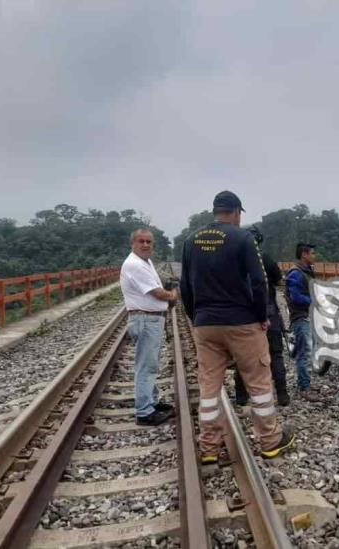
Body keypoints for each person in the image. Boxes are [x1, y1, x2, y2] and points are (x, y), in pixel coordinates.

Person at [180, 190, 295, 462]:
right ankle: (269, 441)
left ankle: (209, 447)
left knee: (209, 387)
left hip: (205, 324)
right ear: (236, 212)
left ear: (215, 210)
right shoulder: (242, 238)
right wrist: (261, 315)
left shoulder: (190, 240)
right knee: (258, 382)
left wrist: (196, 316)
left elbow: (186, 285)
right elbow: (259, 282)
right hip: (242, 322)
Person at [120, 228, 178, 426]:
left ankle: (151, 402)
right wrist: (173, 295)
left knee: (149, 364)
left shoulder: (146, 262)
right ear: (133, 244)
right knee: (146, 366)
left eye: (148, 242)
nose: (145, 245)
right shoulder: (135, 264)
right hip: (146, 320)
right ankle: (144, 413)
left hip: (150, 319)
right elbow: (157, 293)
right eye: (141, 241)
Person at [234, 226, 290, 407]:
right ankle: (282, 395)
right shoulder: (265, 258)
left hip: (244, 315)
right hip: (268, 312)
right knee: (275, 354)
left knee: (242, 357)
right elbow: (280, 282)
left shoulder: (234, 259)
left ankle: (242, 397)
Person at [285, 242, 321, 402]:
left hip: (307, 316)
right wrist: (314, 300)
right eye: (312, 253)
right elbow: (296, 297)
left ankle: (305, 384)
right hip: (301, 317)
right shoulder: (296, 273)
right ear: (304, 254)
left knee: (308, 351)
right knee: (304, 353)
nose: (314, 256)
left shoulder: (306, 271)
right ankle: (304, 389)